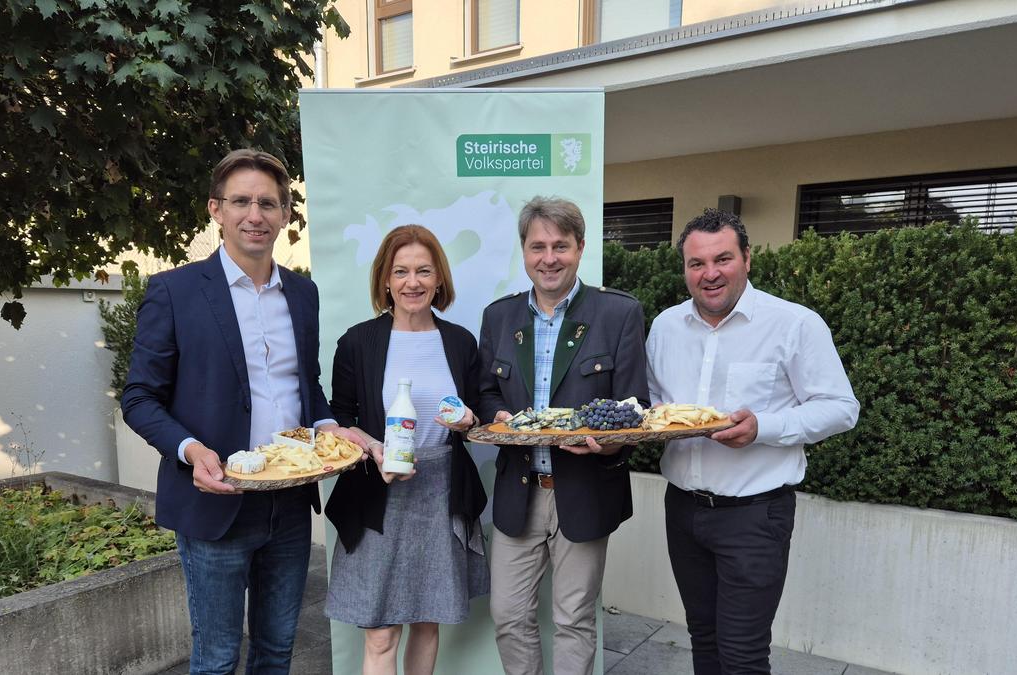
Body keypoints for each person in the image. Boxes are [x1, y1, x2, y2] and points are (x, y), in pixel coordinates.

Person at [121, 148, 364, 674]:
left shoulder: (303, 294)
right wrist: (192, 452)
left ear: (284, 216)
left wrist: (331, 431)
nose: (255, 215)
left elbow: (306, 390)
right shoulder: (174, 291)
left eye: (269, 203)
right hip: (215, 499)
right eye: (241, 202)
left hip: (291, 502)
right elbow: (139, 397)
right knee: (215, 658)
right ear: (216, 210)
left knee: (277, 652)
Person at [645, 208, 860, 675]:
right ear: (684, 269)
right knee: (703, 640)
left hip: (754, 515)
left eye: (722, 259)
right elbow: (657, 407)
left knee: (742, 654)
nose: (710, 274)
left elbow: (842, 408)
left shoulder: (794, 324)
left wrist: (764, 427)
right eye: (696, 264)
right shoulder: (664, 328)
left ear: (747, 258)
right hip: (682, 509)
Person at [477, 196, 649, 675]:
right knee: (508, 616)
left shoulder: (619, 313)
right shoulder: (499, 317)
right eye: (538, 247)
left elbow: (636, 407)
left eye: (560, 246)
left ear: (580, 247)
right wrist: (502, 417)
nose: (548, 258)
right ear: (524, 252)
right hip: (519, 489)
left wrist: (611, 441)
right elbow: (486, 391)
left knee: (574, 619)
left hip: (586, 487)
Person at [323, 225, 490, 675]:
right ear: (385, 280)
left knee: (426, 620)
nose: (412, 282)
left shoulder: (459, 342)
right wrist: (372, 448)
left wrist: (470, 419)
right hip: (378, 493)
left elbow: (476, 411)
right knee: (380, 631)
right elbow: (338, 421)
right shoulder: (358, 342)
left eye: (423, 271)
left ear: (439, 279)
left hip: (440, 492)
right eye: (401, 271)